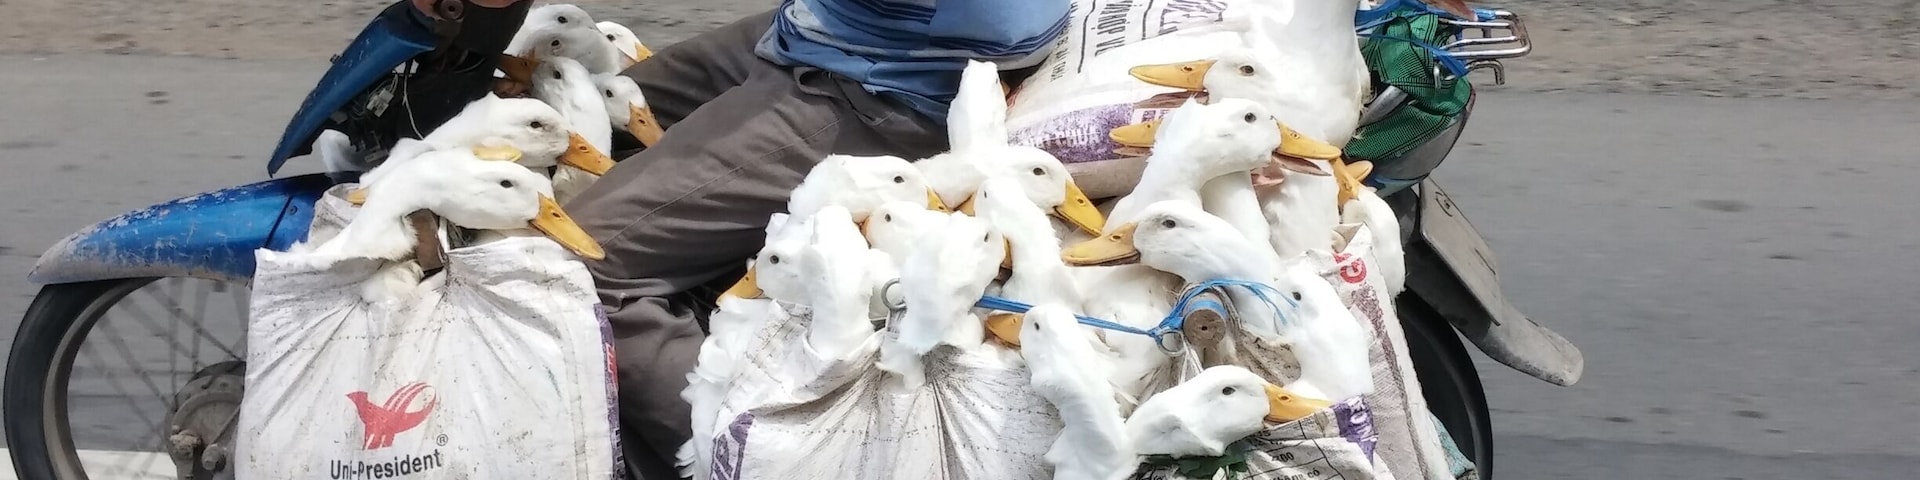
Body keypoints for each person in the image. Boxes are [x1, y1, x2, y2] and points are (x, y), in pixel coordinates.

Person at [561, 1, 1072, 478]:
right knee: (580, 104)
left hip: (894, 80)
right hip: (836, 28)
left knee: (573, 264)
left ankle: (749, 457)